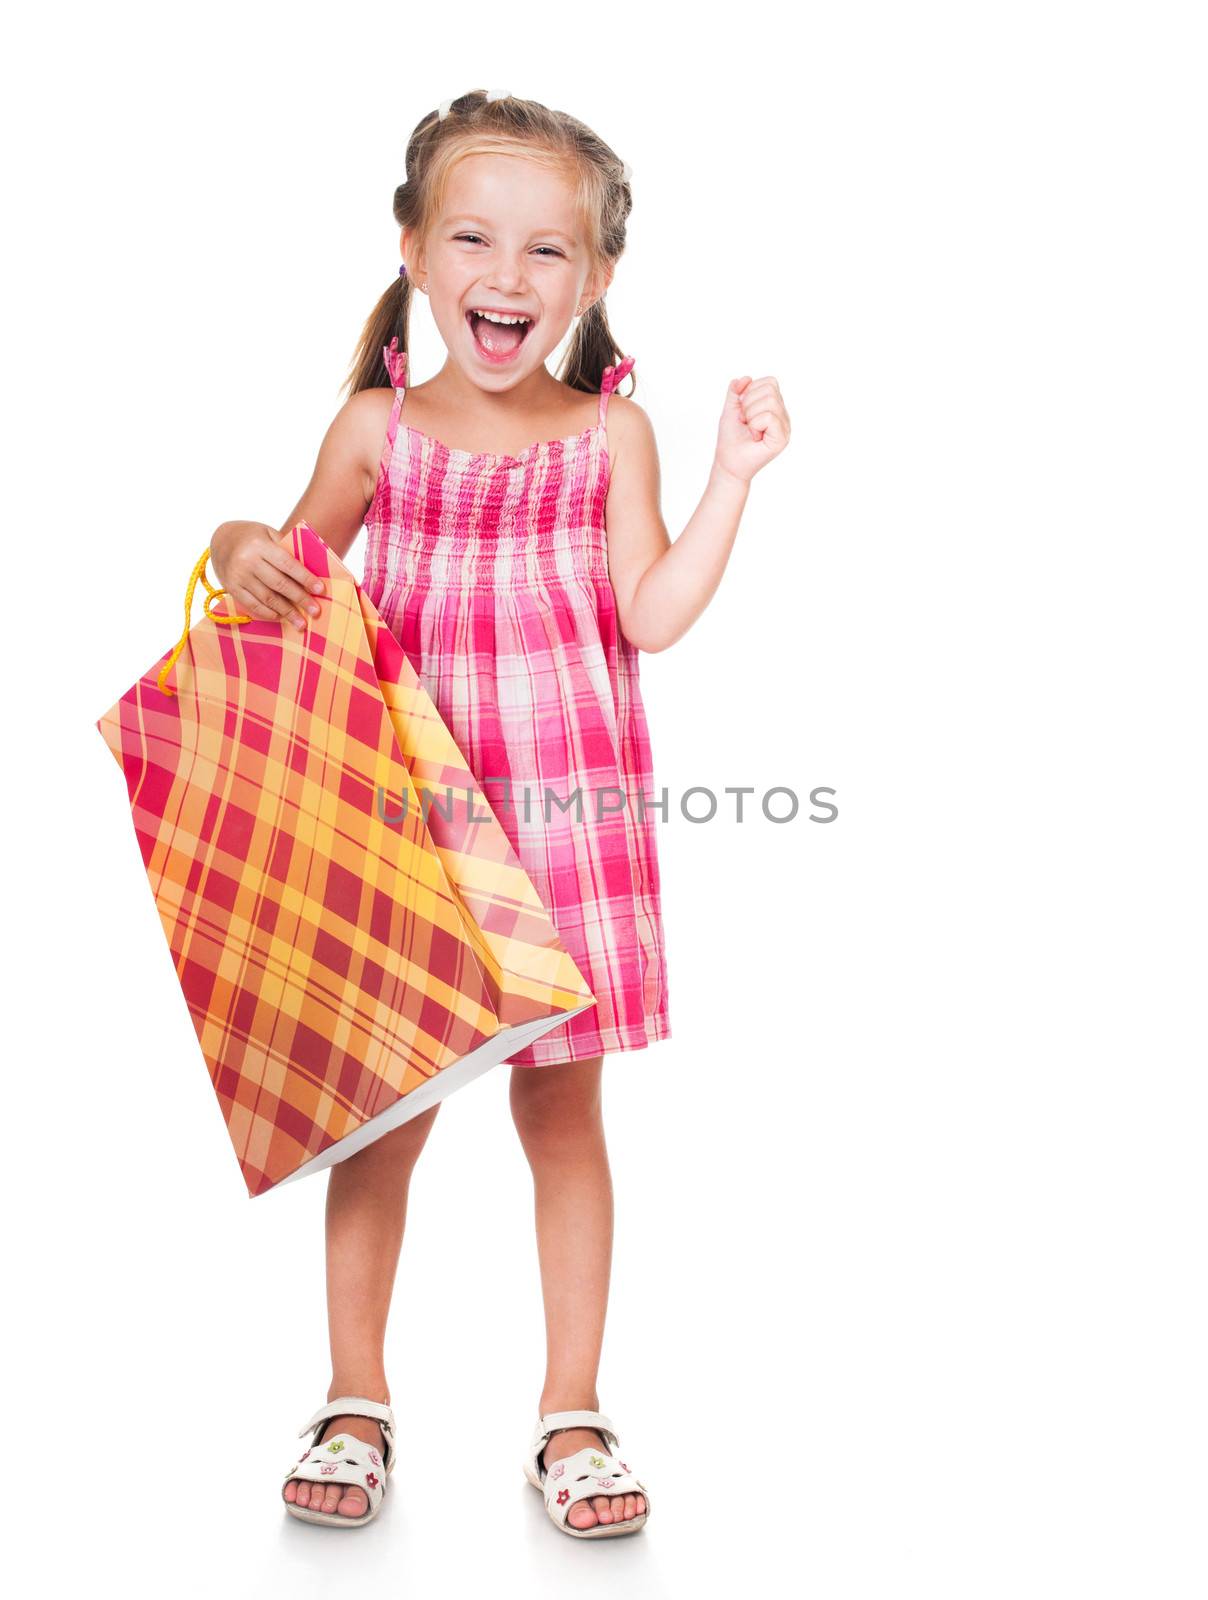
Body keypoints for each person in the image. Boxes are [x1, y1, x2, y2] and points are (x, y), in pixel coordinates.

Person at [210, 87, 790, 1538]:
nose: (509, 275)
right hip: (399, 818)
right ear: (413, 248)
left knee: (562, 1113)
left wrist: (730, 479)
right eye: (473, 237)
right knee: (380, 1126)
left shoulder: (613, 436)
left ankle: (571, 1412)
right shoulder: (374, 431)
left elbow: (650, 615)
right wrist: (231, 548)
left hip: (560, 826)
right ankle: (355, 1398)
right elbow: (277, 574)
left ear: (594, 281)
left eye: (548, 252)